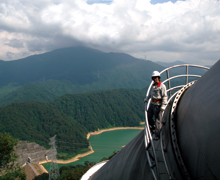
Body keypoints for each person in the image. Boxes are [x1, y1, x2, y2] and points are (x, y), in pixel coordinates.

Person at [144, 71, 168, 140]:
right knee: (148, 116)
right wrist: (147, 98)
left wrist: (163, 106)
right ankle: (153, 127)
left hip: (158, 105)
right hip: (152, 104)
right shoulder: (153, 86)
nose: (154, 79)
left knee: (158, 120)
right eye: (153, 78)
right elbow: (151, 94)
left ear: (158, 78)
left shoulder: (162, 86)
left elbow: (164, 96)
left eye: (155, 78)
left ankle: (157, 135)